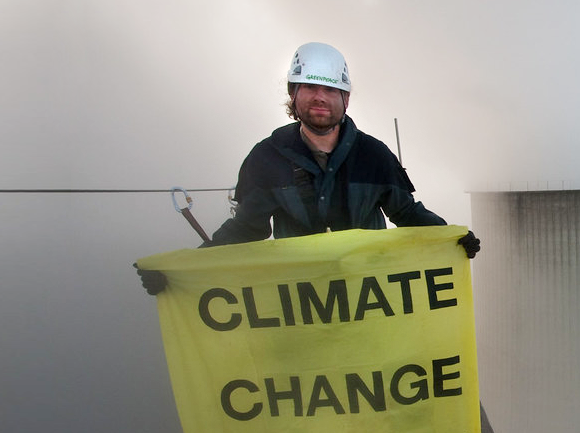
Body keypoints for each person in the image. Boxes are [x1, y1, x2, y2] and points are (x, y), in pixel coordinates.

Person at [135, 42, 490, 431]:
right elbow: (245, 230)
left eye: (329, 90)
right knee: (308, 414)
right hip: (300, 323)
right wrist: (182, 273)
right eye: (309, 87)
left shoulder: (374, 156)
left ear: (345, 98)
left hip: (373, 315)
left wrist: (451, 239)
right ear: (293, 94)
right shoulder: (266, 159)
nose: (319, 98)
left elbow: (406, 212)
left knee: (395, 405)